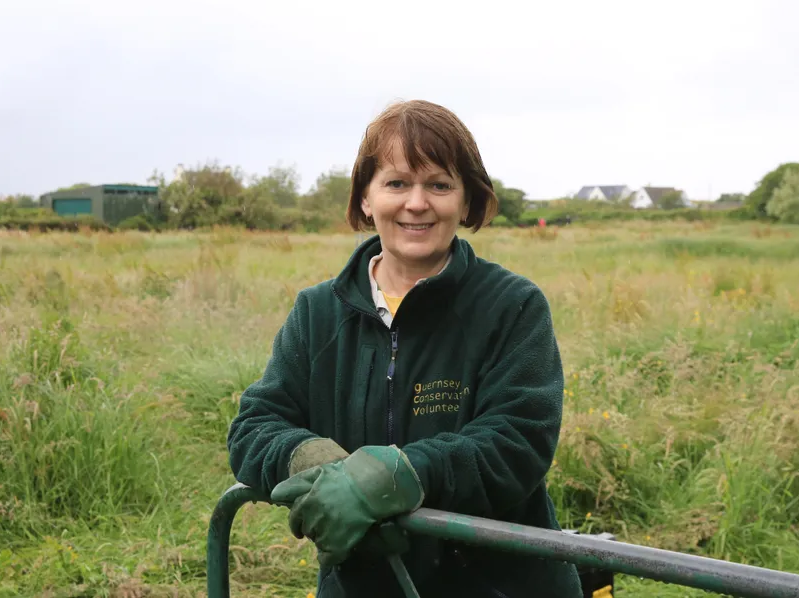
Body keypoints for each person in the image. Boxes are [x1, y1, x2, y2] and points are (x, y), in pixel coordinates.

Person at [227, 99, 582, 597]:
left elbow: (517, 442)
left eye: (439, 184)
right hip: (362, 585)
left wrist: (395, 475)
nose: (417, 203)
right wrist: (315, 462)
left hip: (498, 585)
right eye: (396, 183)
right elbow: (254, 426)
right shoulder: (317, 312)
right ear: (366, 199)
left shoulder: (512, 306)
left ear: (466, 201)